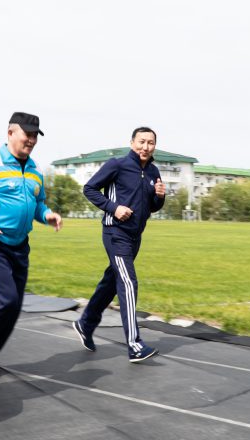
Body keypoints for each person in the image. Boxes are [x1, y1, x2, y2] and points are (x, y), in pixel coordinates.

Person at [0, 112, 62, 380]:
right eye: (27, 134)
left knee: (14, 306)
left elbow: (37, 203)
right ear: (10, 133)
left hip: (20, 245)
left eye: (35, 136)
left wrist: (47, 215)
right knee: (3, 300)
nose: (31, 140)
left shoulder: (35, 170)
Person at [72, 127, 166, 363]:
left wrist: (159, 196)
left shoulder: (153, 171)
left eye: (151, 143)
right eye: (141, 141)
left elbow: (152, 206)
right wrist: (114, 208)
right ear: (132, 142)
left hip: (135, 236)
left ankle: (85, 324)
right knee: (128, 283)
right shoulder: (118, 165)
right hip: (115, 232)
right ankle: (135, 344)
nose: (146, 147)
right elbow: (89, 189)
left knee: (111, 283)